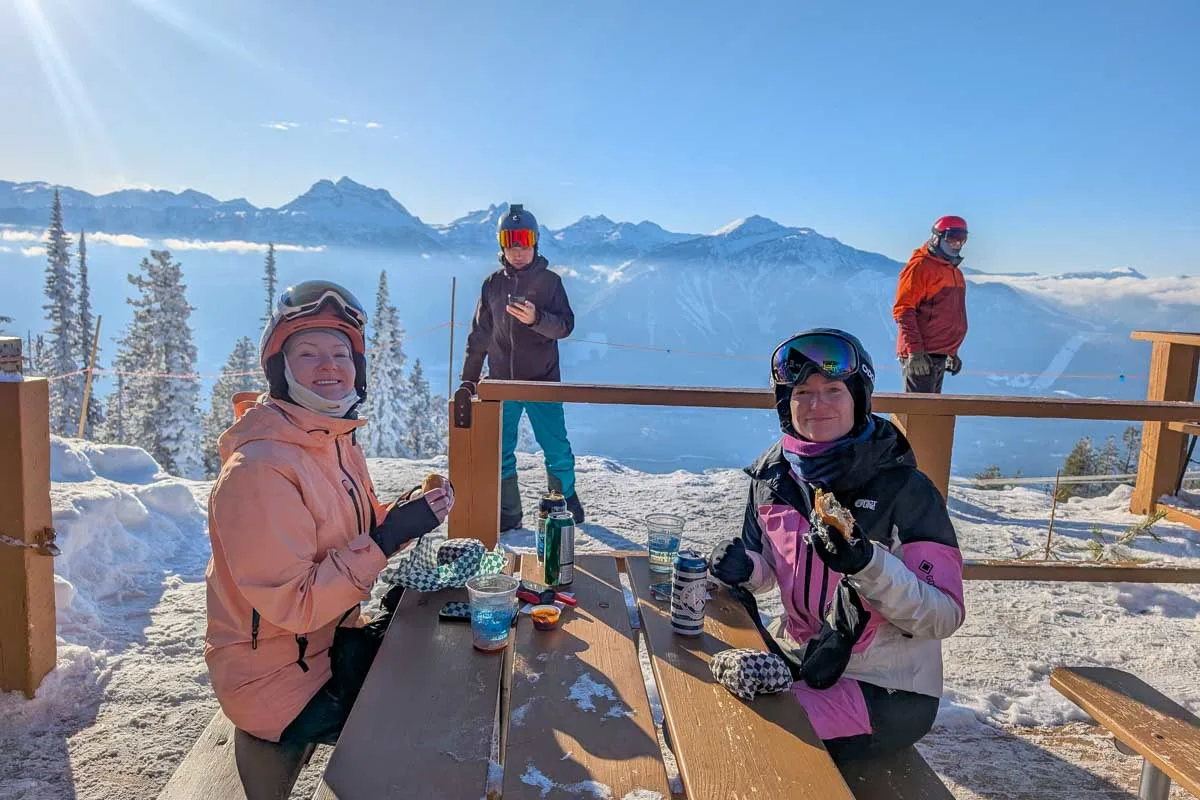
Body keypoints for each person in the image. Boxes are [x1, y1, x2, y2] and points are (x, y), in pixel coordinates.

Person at [205, 280, 452, 745]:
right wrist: (384, 540)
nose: (329, 366)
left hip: (328, 647)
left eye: (341, 354)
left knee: (449, 641)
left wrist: (403, 518)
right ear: (280, 368)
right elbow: (296, 605)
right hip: (279, 687)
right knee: (444, 706)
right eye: (308, 354)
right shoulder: (259, 470)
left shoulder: (329, 441)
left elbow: (342, 537)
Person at [709, 328, 964, 761]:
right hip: (802, 659)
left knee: (743, 739)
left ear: (859, 398)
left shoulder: (903, 489)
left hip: (885, 689)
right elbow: (770, 567)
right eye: (802, 392)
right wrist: (744, 567)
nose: (817, 404)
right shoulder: (775, 477)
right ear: (785, 404)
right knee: (708, 709)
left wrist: (867, 565)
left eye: (833, 390)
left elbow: (944, 615)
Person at [459, 203, 584, 530]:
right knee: (500, 449)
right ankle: (508, 511)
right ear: (501, 245)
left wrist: (535, 319)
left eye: (525, 241)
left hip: (542, 382)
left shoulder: (550, 283)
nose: (518, 251)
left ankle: (565, 503)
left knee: (555, 447)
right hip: (502, 384)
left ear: (536, 242)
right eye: (510, 242)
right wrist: (468, 382)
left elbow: (565, 326)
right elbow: (479, 336)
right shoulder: (492, 285)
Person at [892, 215, 969, 393]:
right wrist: (915, 351)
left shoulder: (954, 272)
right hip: (921, 356)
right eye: (952, 237)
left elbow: (947, 314)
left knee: (931, 408)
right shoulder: (920, 267)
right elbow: (903, 311)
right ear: (937, 237)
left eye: (962, 238)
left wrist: (951, 351)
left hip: (937, 355)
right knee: (919, 409)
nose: (957, 243)